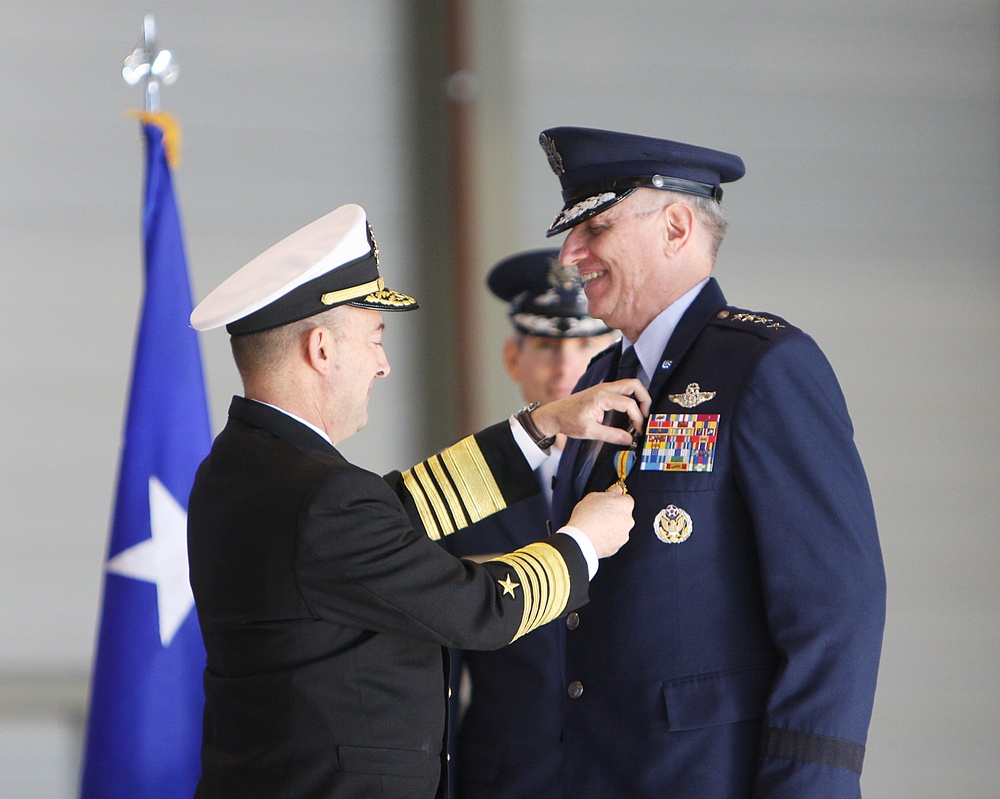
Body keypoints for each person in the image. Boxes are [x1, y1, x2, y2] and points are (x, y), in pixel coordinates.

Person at [185, 203, 650, 799]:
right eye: (375, 338)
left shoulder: (245, 468)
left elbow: (398, 510)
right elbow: (479, 610)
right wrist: (585, 540)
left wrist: (541, 426)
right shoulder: (319, 495)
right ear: (322, 349)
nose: (383, 365)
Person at [536, 127, 887, 797]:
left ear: (674, 227)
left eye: (596, 228)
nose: (569, 252)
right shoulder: (598, 384)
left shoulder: (762, 364)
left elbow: (837, 605)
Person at [439, 250, 616, 797]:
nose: (566, 367)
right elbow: (442, 662)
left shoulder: (650, 479)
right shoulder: (462, 487)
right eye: (546, 346)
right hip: (505, 779)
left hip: (628, 769)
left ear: (617, 357)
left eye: (586, 344)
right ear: (513, 359)